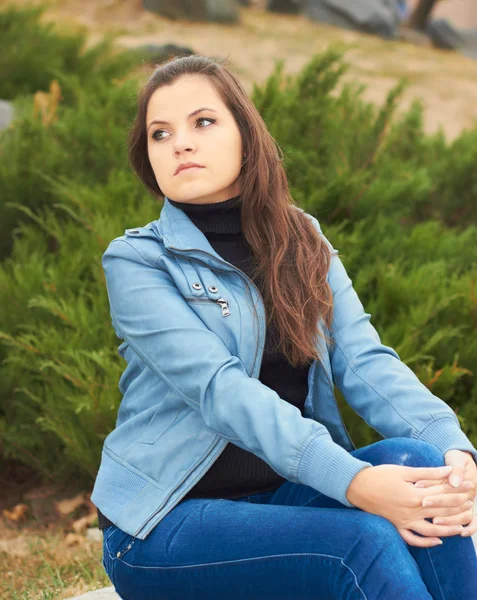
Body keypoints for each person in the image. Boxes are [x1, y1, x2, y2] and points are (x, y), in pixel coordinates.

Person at [92, 54, 477, 599]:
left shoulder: (302, 241)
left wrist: (451, 447)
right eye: (160, 133)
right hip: (163, 525)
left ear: (246, 135)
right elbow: (221, 392)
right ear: (148, 156)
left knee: (425, 470)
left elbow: (365, 362)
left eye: (203, 122)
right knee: (361, 540)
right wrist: (352, 481)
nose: (180, 143)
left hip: (282, 499)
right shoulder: (138, 262)